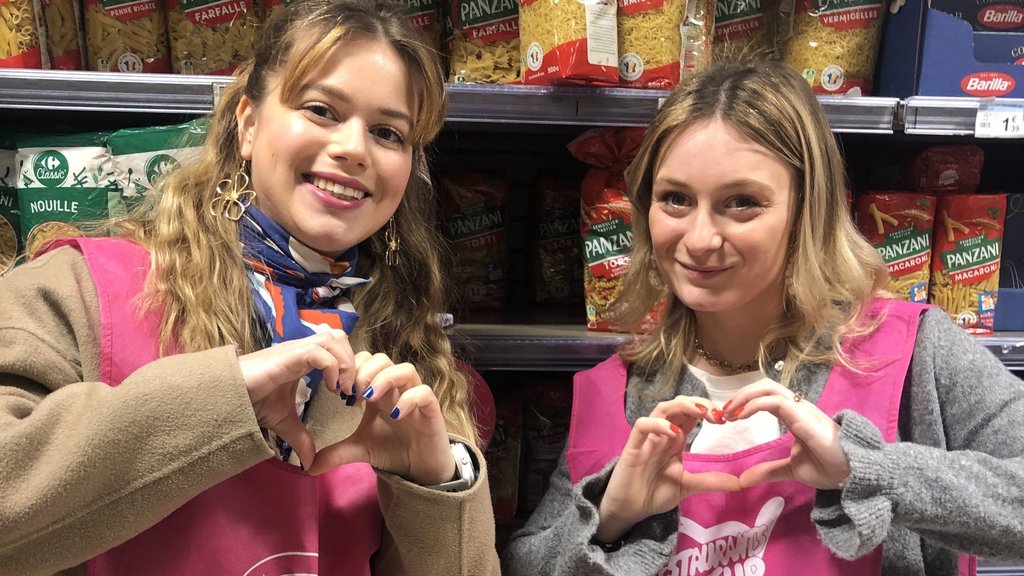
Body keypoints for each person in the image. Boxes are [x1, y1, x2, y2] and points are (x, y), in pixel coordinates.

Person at [0, 0, 499, 574]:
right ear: (248, 124)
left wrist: (434, 488)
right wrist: (224, 396)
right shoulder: (78, 288)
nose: (354, 148)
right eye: (321, 110)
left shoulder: (407, 347)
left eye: (388, 133)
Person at [502, 61, 1024, 576]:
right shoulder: (615, 387)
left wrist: (867, 469)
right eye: (675, 199)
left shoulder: (912, 352)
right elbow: (526, 562)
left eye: (742, 202)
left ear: (807, 212)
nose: (700, 239)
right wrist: (610, 517)